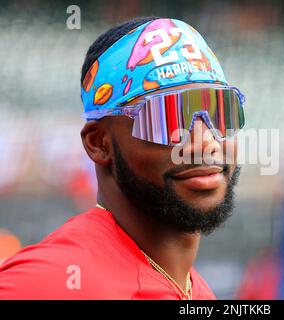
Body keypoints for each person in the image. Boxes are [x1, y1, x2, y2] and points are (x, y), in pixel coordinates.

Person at [0, 16, 245, 300]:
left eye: (220, 111)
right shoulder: (49, 282)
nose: (205, 141)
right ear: (99, 143)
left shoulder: (194, 291)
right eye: (166, 118)